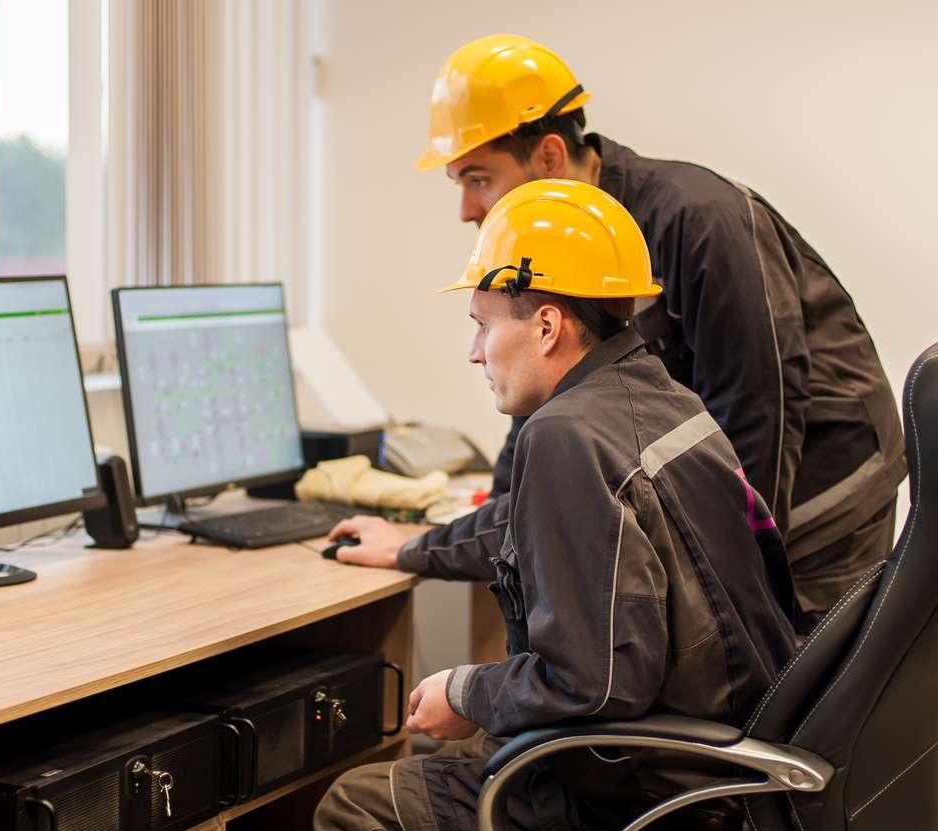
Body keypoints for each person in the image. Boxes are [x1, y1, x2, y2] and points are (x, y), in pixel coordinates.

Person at [334, 35, 904, 631]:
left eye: (477, 179)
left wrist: (741, 573)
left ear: (550, 157)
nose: (467, 210)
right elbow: (543, 399)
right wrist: (473, 526)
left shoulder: (696, 218)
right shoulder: (557, 242)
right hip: (742, 465)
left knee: (788, 683)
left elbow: (760, 406)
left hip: (824, 467)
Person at [314, 179, 796, 831]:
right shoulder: (661, 400)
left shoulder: (564, 433)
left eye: (483, 325)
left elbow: (591, 683)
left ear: (546, 324)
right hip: (725, 764)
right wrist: (410, 545)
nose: (474, 352)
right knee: (442, 764)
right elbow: (529, 528)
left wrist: (465, 690)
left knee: (356, 801)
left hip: (645, 790)